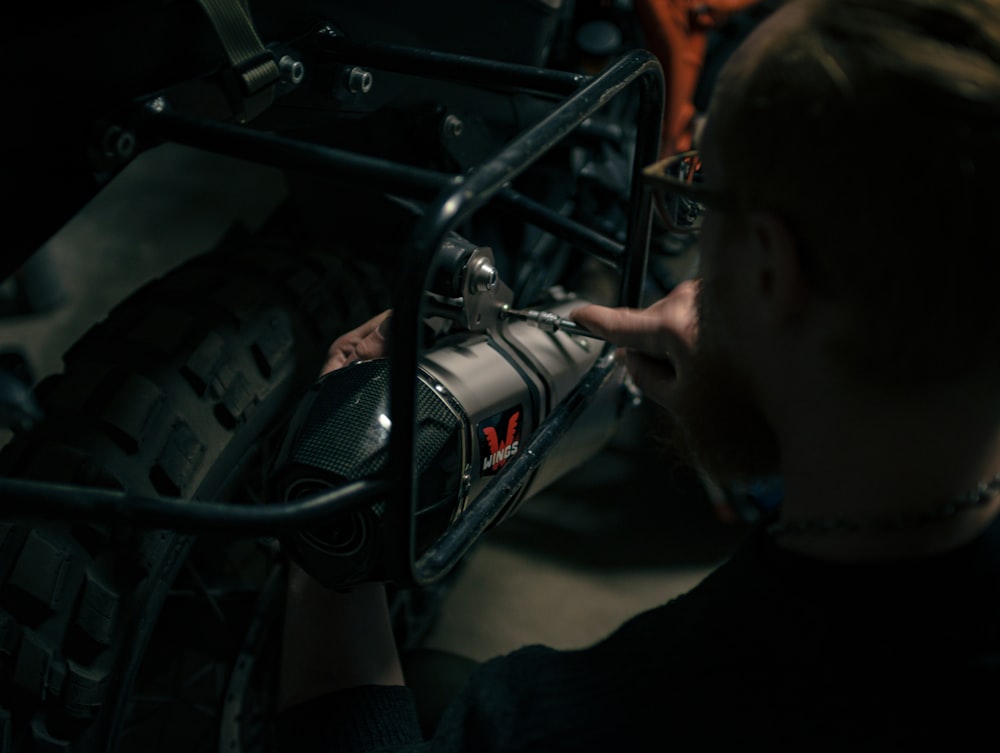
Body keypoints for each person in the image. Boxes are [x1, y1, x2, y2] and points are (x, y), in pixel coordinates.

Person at [276, 0, 1000, 749]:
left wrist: (332, 542)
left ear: (771, 267)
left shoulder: (573, 719)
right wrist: (773, 394)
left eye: (702, 196)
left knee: (424, 688)